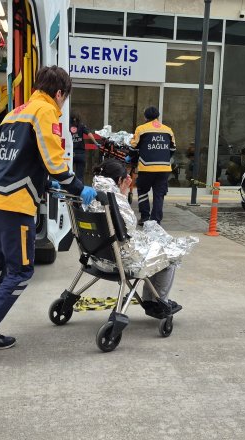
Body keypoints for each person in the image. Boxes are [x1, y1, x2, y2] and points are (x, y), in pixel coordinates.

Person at [0, 66, 96, 355]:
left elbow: (11, 157)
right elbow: (53, 160)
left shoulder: (14, 112)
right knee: (20, 271)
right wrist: (78, 187)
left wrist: (41, 183)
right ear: (59, 93)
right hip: (12, 203)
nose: (62, 105)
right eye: (63, 98)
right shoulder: (44, 113)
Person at [92, 159, 183, 317]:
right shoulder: (114, 200)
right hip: (118, 262)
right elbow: (129, 227)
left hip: (96, 256)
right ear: (120, 180)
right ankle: (158, 302)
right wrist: (124, 193)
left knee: (155, 247)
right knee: (170, 256)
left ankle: (150, 300)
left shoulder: (93, 195)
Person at [131, 106, 176, 225]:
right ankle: (156, 220)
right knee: (159, 194)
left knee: (143, 191)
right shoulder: (168, 130)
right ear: (158, 116)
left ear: (145, 117)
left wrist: (134, 159)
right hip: (164, 168)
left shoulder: (141, 129)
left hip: (146, 167)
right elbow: (173, 148)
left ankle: (145, 218)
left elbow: (133, 147)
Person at [69, 113, 89, 184]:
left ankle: (68, 191)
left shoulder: (68, 126)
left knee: (68, 174)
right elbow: (89, 134)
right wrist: (96, 143)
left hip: (71, 154)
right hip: (81, 154)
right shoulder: (81, 126)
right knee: (80, 176)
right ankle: (79, 192)